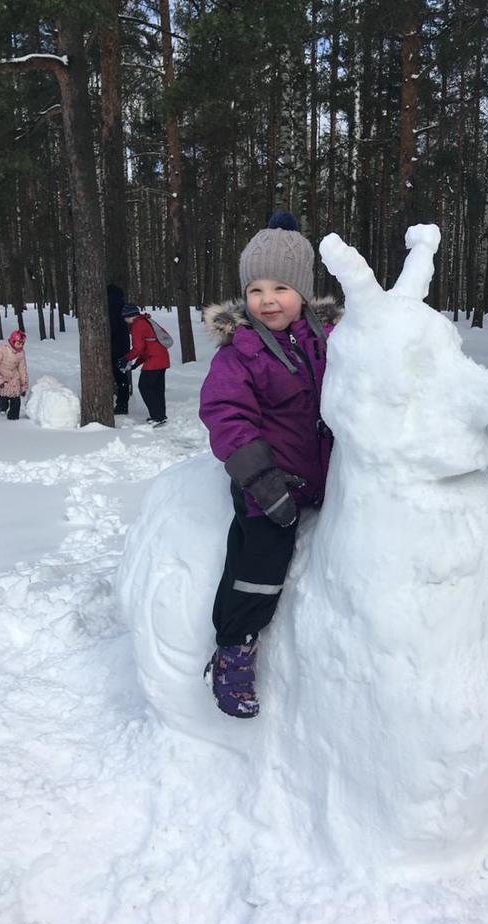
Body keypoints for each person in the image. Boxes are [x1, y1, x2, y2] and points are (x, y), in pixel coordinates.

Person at [199, 211, 340, 719]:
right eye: (256, 289)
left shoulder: (329, 340)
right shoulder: (241, 351)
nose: (268, 299)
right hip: (268, 479)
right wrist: (262, 481)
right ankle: (234, 649)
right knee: (260, 558)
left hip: (325, 474)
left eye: (281, 286)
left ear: (302, 291)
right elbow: (226, 415)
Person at [118, 304, 170, 426]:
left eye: (124, 317)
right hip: (162, 358)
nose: (124, 320)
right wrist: (136, 364)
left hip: (154, 360)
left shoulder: (137, 325)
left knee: (145, 387)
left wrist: (126, 358)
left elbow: (138, 348)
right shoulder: (145, 321)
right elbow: (148, 346)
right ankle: (160, 415)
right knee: (157, 388)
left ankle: (157, 417)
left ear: (129, 316)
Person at [0, 330, 28, 420]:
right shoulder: (2, 349)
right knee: (3, 398)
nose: (21, 346)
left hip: (14, 379)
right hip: (1, 377)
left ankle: (13, 418)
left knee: (16, 401)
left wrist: (23, 385)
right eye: (19, 343)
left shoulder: (21, 353)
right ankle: (3, 407)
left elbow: (22, 369)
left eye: (22, 343)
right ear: (13, 341)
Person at [107, 284, 131, 415]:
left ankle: (122, 404)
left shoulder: (111, 303)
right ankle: (123, 402)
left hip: (115, 345)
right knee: (121, 375)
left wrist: (108, 338)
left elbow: (112, 324)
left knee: (119, 375)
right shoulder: (121, 302)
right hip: (123, 344)